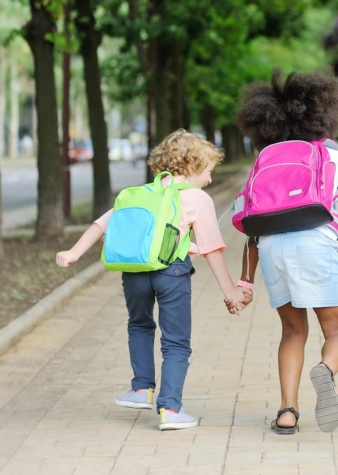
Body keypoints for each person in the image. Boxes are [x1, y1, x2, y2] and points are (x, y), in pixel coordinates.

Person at [228, 68, 338, 435]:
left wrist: (245, 280)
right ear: (325, 115)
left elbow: (252, 224)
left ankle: (287, 411)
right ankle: (326, 370)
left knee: (292, 331)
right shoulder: (332, 156)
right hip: (315, 244)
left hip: (272, 249)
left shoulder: (266, 159)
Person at [56, 130, 250, 431]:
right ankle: (170, 409)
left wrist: (74, 252)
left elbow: (102, 223)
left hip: (133, 272)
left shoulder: (144, 192)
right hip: (171, 273)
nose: (210, 179)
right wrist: (230, 291)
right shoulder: (196, 197)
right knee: (175, 342)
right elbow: (212, 247)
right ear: (192, 165)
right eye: (209, 171)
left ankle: (140, 389)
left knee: (139, 325)